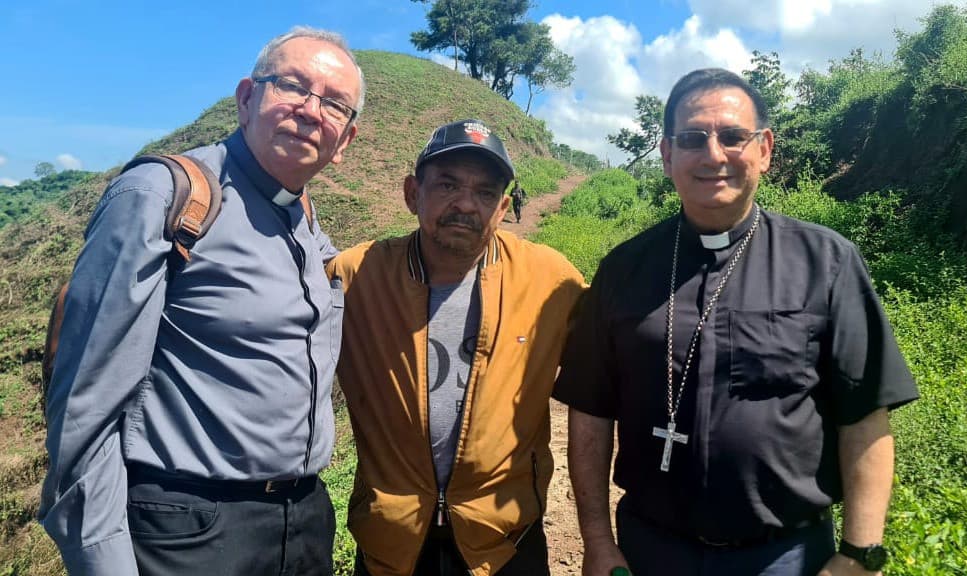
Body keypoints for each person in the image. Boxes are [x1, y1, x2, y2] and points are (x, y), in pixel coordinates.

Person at [554, 68, 919, 576]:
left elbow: (865, 414)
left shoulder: (827, 263)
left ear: (764, 150)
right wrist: (596, 540)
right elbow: (590, 412)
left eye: (732, 136)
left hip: (786, 556)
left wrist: (860, 553)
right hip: (650, 550)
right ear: (667, 155)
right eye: (692, 139)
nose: (713, 154)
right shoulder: (623, 269)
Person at [38, 26, 365, 576]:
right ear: (246, 98)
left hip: (302, 523)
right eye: (292, 86)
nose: (312, 111)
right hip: (190, 530)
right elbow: (84, 406)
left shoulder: (305, 221)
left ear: (346, 141)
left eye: (334, 104)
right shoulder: (164, 196)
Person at [326, 119, 586, 576]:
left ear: (502, 207)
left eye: (485, 192)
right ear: (412, 193)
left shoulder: (551, 280)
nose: (466, 204)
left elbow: (610, 369)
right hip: (392, 542)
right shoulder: (355, 277)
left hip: (504, 542)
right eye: (447, 185)